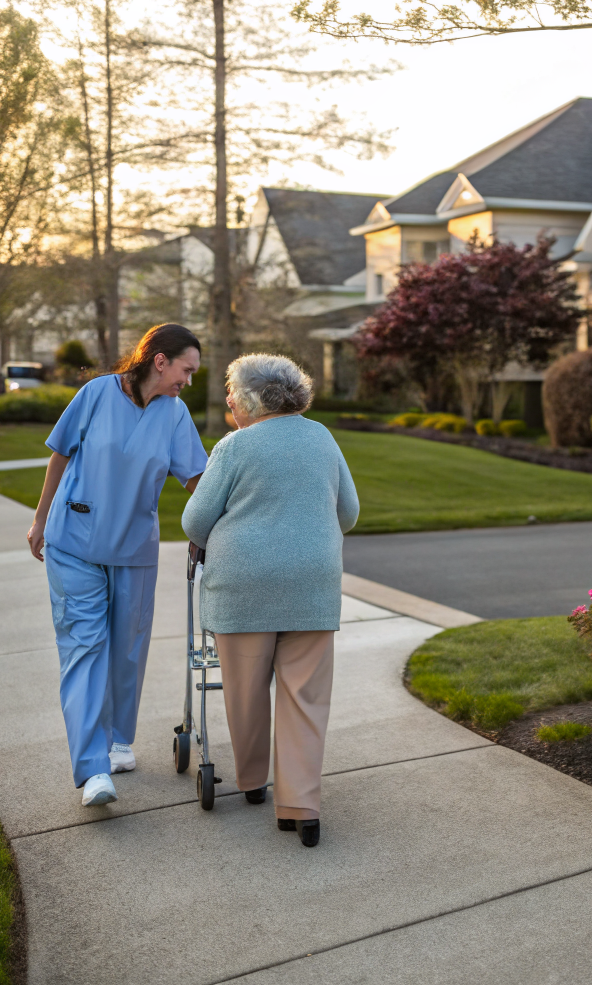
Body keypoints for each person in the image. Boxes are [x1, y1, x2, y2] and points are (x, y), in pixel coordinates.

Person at [182, 354, 359, 847]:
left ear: (252, 400)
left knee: (245, 690)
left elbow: (195, 523)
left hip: (244, 586)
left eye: (232, 395)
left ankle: (253, 781)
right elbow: (349, 512)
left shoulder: (234, 447)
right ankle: (301, 807)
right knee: (305, 697)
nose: (229, 404)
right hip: (311, 583)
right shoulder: (321, 436)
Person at [28, 324, 209, 808]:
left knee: (128, 647)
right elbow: (59, 456)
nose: (188, 381)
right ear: (160, 361)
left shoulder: (174, 413)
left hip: (133, 549)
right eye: (186, 370)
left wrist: (227, 518)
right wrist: (40, 518)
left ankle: (118, 740)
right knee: (85, 647)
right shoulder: (94, 394)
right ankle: (92, 770)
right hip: (75, 544)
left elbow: (196, 478)